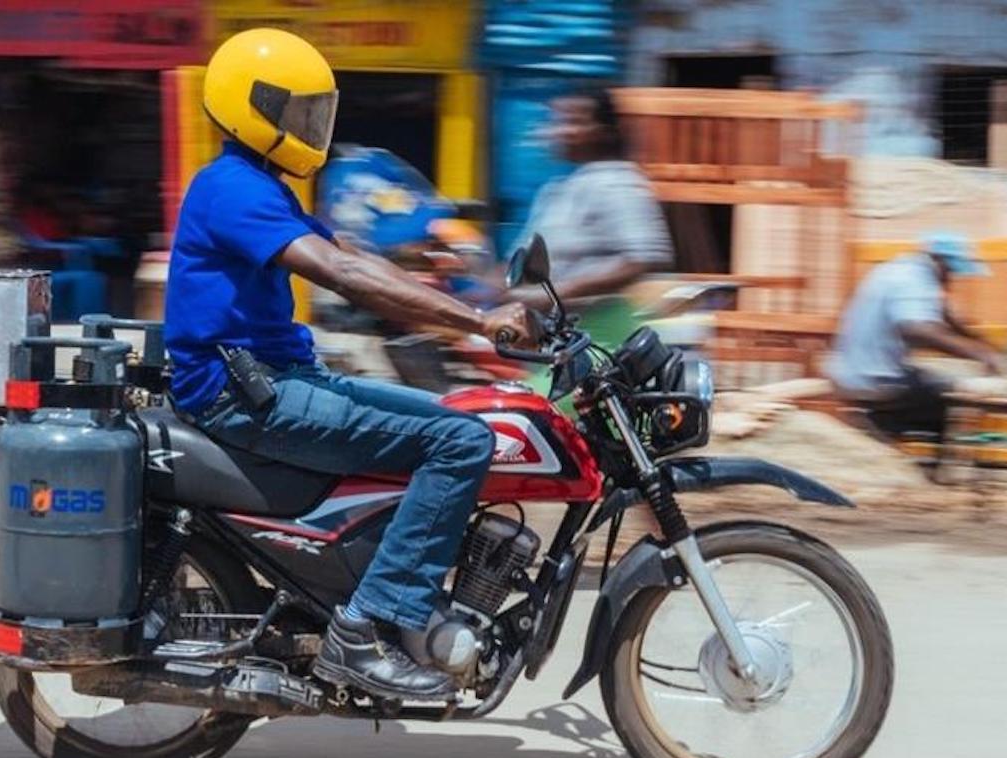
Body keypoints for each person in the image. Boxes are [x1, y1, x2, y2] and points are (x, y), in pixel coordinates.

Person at [163, 29, 531, 701]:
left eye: (316, 112)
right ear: (254, 109)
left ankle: (377, 589)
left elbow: (365, 261)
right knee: (462, 440)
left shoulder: (261, 188)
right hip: (245, 395)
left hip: (274, 380)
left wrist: (476, 298)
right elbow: (341, 272)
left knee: (454, 417)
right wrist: (477, 321)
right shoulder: (232, 189)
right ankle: (361, 631)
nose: (312, 127)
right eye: (298, 112)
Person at [506, 86, 673, 310]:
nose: (557, 132)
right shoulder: (556, 189)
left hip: (594, 334)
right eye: (555, 122)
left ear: (604, 131)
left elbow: (644, 259)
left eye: (572, 122)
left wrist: (560, 294)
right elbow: (521, 263)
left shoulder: (618, 183)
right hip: (546, 330)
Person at [831, 232, 1007, 440]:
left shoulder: (901, 269)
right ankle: (903, 452)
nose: (952, 277)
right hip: (872, 380)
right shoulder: (914, 279)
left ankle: (891, 437)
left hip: (849, 372)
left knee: (933, 385)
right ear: (941, 262)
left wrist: (979, 342)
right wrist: (979, 354)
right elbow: (917, 329)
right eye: (951, 271)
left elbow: (944, 315)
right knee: (948, 403)